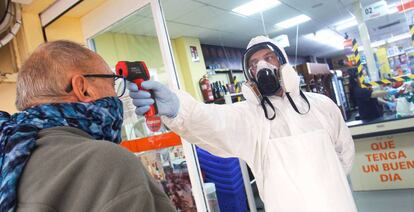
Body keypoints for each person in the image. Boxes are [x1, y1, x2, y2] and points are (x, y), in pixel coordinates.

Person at [129, 36, 357, 212]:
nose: (262, 67)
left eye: (269, 58)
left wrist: (326, 185)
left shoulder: (322, 106)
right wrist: (178, 108)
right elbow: (212, 120)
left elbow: (344, 154)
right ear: (249, 75)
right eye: (255, 63)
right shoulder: (251, 117)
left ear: (283, 62)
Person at [0, 40, 175, 212]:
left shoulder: (8, 153)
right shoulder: (107, 163)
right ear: (83, 88)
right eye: (113, 84)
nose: (116, 95)